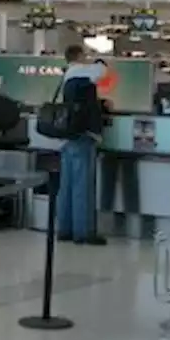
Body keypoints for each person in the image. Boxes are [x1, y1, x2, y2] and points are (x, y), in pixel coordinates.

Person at [56, 44, 106, 246]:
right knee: (82, 186)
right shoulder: (82, 73)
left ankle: (65, 228)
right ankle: (83, 232)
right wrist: (98, 58)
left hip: (69, 136)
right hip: (83, 135)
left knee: (66, 185)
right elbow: (102, 69)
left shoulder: (67, 76)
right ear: (79, 56)